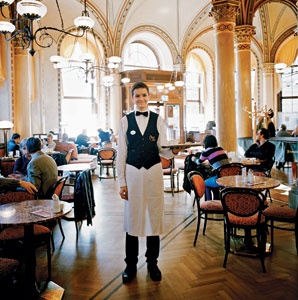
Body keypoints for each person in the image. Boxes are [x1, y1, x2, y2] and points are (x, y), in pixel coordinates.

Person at [117, 81, 182, 284]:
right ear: (132, 98)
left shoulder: (158, 120)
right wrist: (122, 182)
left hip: (153, 173)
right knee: (132, 219)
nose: (141, 99)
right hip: (133, 173)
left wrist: (173, 152)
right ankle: (130, 265)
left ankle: (153, 263)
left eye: (144, 95)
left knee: (153, 218)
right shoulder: (125, 121)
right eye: (137, 96)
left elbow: (163, 149)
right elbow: (121, 153)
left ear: (148, 96)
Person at [192, 134, 229, 200]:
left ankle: (208, 203)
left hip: (219, 179)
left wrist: (193, 158)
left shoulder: (206, 152)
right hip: (228, 177)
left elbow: (198, 162)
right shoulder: (221, 149)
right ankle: (216, 199)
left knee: (205, 183)